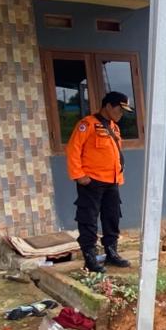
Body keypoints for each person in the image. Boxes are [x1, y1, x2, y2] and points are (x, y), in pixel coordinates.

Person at [66, 91, 133, 273]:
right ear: (108, 106)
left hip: (112, 181)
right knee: (88, 220)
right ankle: (90, 258)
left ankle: (112, 252)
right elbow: (73, 150)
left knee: (112, 218)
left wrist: (118, 176)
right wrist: (79, 175)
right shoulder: (87, 125)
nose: (121, 114)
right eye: (119, 109)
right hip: (92, 182)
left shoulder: (114, 128)